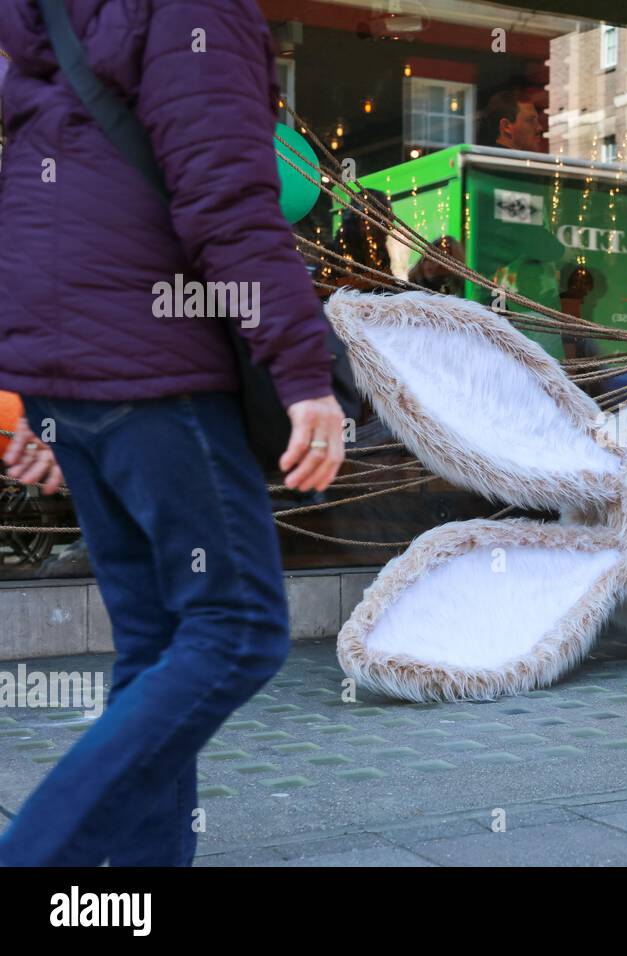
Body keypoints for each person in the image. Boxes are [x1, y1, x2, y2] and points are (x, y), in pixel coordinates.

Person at [0, 0, 344, 865]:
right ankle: (40, 853)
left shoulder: (49, 22)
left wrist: (38, 390)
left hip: (77, 369)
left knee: (156, 645)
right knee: (238, 629)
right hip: (155, 372)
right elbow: (225, 199)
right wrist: (304, 373)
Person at [480, 85, 546, 153]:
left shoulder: (491, 159)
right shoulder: (496, 161)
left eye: (537, 121)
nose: (539, 128)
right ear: (506, 126)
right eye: (530, 120)